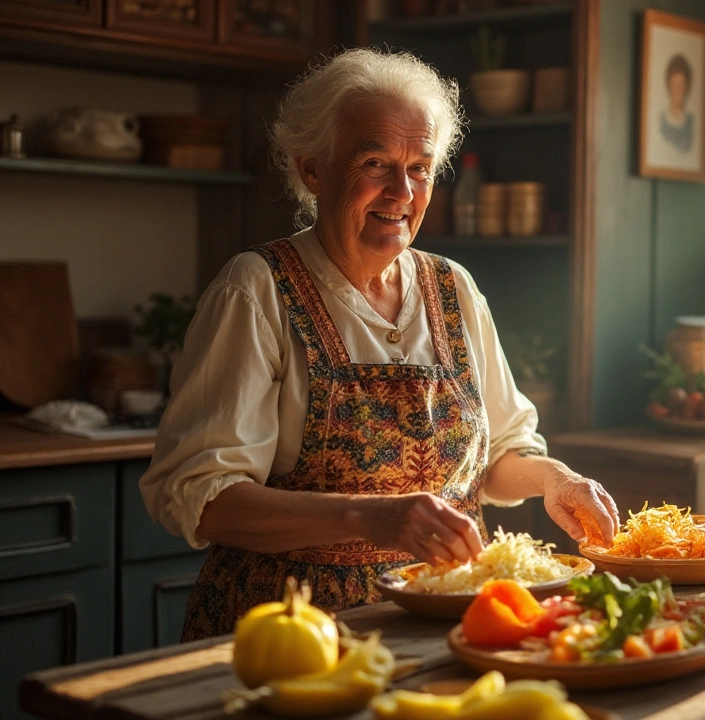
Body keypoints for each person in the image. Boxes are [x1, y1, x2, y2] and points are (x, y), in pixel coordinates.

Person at [139, 48, 619, 641]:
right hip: (296, 631)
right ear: (313, 169)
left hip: (444, 622)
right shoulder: (257, 289)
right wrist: (371, 516)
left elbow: (498, 459)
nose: (401, 191)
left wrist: (555, 480)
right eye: (375, 162)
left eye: (420, 167)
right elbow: (201, 497)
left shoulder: (454, 288)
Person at [658, 53, 694, 153]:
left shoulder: (691, 122)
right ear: (668, 86)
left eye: (681, 83)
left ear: (687, 86)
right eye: (674, 83)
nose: (678, 89)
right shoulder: (661, 122)